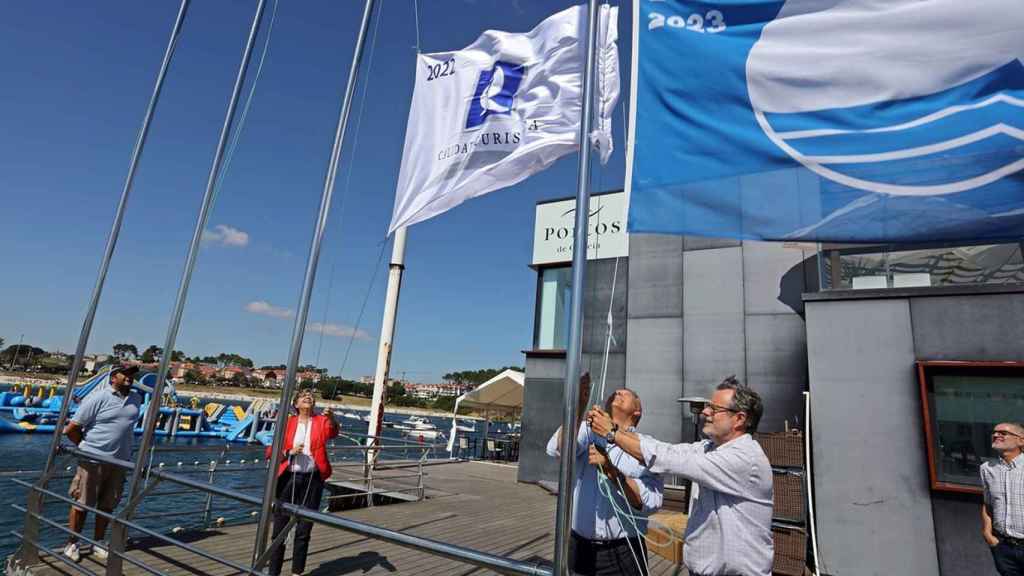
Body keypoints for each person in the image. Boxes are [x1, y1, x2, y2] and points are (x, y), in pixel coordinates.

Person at [588, 375, 773, 576]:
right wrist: (614, 431)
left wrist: (612, 432)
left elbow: (670, 461)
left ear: (739, 419)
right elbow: (669, 451)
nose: (705, 412)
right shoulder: (709, 448)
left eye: (715, 409)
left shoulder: (744, 458)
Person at [547, 373, 663, 576]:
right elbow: (562, 451)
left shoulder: (646, 446)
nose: (618, 392)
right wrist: (578, 405)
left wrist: (612, 472)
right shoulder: (585, 429)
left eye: (626, 394)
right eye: (617, 392)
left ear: (637, 411)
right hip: (578, 547)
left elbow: (650, 501)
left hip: (623, 549)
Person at [62, 364, 143, 563]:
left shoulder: (136, 399)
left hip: (120, 462)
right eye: (125, 374)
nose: (129, 378)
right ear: (113, 377)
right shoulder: (98, 397)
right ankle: (73, 543)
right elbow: (71, 429)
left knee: (107, 506)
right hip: (93, 459)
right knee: (82, 504)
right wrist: (84, 445)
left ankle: (98, 542)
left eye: (132, 374)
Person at [266, 388, 338, 576]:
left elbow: (333, 432)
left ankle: (297, 573)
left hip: (312, 480)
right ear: (296, 404)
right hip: (288, 479)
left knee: (304, 530)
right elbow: (269, 452)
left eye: (311, 397)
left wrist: (332, 418)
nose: (308, 398)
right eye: (303, 397)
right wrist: (288, 452)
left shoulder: (321, 421)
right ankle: (273, 572)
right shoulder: (287, 423)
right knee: (279, 531)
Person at [981, 422, 1024, 575]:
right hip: (1003, 548)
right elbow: (987, 504)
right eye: (994, 432)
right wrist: (988, 535)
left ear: (1021, 440)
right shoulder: (987, 468)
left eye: (1003, 433)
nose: (996, 435)